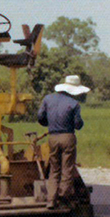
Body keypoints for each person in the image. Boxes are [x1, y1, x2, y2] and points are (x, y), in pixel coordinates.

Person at [37, 74, 89, 209]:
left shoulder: (48, 99)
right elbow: (78, 124)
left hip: (52, 138)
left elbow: (40, 117)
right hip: (67, 137)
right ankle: (63, 196)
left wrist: (51, 123)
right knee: (67, 168)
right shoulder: (74, 104)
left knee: (54, 169)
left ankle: (51, 200)